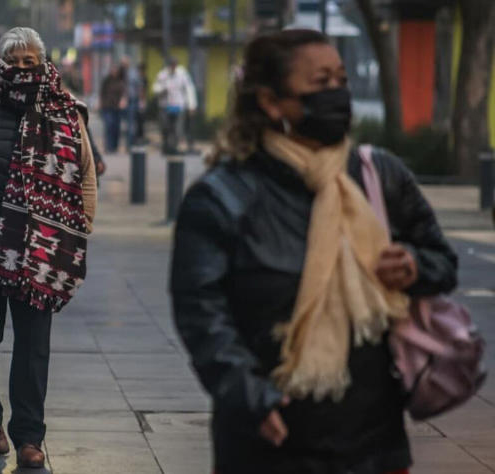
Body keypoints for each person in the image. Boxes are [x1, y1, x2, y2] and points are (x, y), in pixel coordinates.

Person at [170, 29, 457, 474]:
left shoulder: (378, 176)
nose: (337, 95)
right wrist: (249, 396)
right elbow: (200, 312)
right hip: (270, 437)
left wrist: (415, 265)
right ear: (270, 102)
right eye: (320, 84)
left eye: (340, 81)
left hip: (374, 440)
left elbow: (441, 261)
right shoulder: (223, 196)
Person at [0, 27, 97, 469]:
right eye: (13, 62)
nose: (21, 69)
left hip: (41, 253)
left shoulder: (67, 114)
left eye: (29, 62)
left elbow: (85, 176)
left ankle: (30, 435)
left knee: (34, 348)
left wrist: (78, 231)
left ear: (43, 64)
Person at [153, 56, 195, 154]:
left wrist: (191, 105)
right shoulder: (162, 75)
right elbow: (155, 88)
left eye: (174, 65)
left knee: (177, 128)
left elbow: (189, 89)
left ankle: (174, 147)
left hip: (178, 105)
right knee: (165, 127)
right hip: (165, 106)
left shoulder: (182, 74)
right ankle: (166, 146)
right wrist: (162, 89)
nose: (173, 67)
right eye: (171, 65)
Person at [99, 63, 127, 153]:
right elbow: (102, 92)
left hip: (117, 108)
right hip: (107, 106)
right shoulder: (107, 81)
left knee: (116, 128)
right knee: (109, 125)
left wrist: (123, 100)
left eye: (116, 70)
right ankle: (108, 146)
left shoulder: (120, 81)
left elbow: (124, 93)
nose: (114, 72)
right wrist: (100, 103)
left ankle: (114, 147)